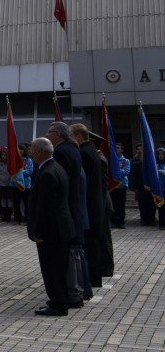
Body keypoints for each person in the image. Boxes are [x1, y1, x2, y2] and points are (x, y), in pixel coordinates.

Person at [27, 137, 77, 316]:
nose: (31, 153)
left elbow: (45, 207)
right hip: (60, 228)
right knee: (58, 268)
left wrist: (38, 232)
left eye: (32, 150)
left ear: (39, 151)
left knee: (52, 270)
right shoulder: (56, 167)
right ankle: (59, 299)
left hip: (51, 232)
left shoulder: (48, 173)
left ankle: (58, 304)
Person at [47, 122, 88, 310]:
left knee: (70, 255)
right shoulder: (72, 149)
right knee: (75, 253)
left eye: (49, 132)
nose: (47, 135)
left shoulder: (61, 152)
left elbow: (60, 183)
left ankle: (74, 293)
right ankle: (79, 291)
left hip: (66, 209)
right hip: (74, 207)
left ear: (57, 134)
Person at [72, 124, 114, 289]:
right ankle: (101, 270)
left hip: (99, 204)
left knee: (100, 241)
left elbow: (101, 186)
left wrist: (101, 207)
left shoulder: (92, 157)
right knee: (99, 241)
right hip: (98, 204)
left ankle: (103, 270)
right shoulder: (95, 155)